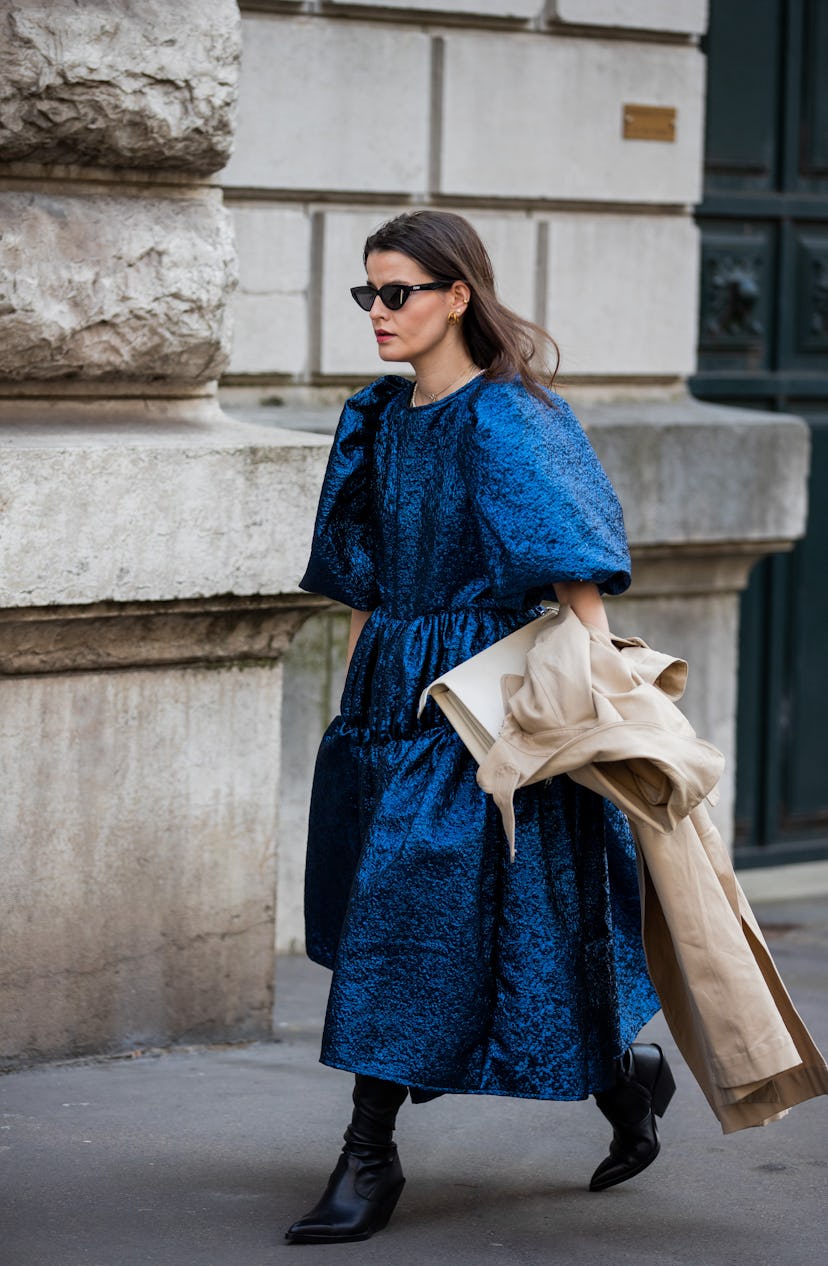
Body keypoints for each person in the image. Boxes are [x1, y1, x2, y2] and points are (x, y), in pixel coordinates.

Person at [287, 210, 674, 1246]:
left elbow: (574, 563)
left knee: (412, 919)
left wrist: (599, 689)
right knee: (481, 925)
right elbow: (362, 572)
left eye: (397, 291)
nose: (377, 312)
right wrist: (361, 698)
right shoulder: (373, 415)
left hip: (485, 695)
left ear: (457, 295)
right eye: (367, 292)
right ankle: (625, 1076)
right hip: (391, 691)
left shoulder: (506, 416)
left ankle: (369, 1155)